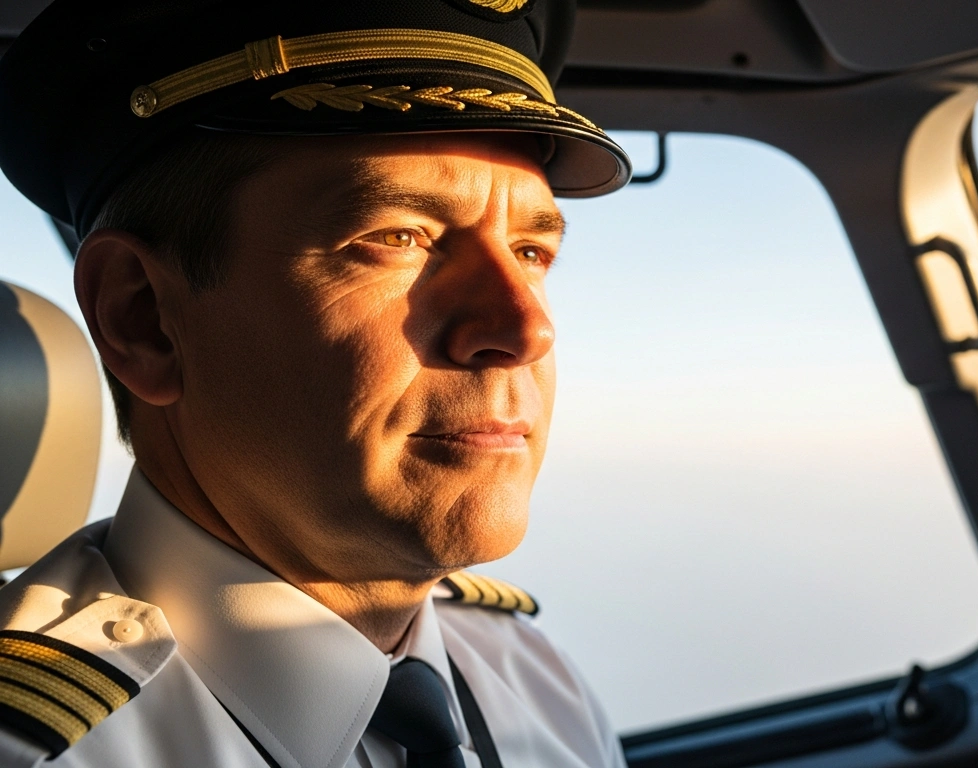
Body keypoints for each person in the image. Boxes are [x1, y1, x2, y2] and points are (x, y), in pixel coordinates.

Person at [0, 0, 632, 765]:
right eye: (398, 237)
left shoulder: (535, 683)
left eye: (533, 252)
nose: (526, 329)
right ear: (144, 320)